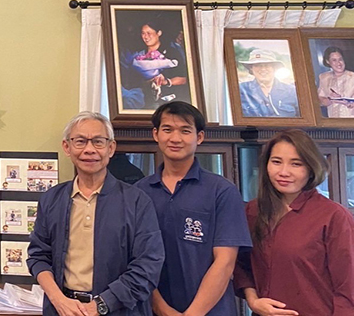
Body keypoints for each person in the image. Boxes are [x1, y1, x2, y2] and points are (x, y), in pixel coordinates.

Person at [27, 111, 164, 316]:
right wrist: (58, 300)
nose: (89, 150)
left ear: (111, 148)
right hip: (63, 310)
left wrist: (100, 305)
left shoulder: (137, 201)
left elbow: (148, 266)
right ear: (67, 147)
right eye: (80, 141)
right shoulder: (51, 199)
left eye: (98, 142)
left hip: (120, 310)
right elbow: (38, 256)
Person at [136, 102, 251, 316]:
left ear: (199, 137)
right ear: (156, 134)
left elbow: (225, 263)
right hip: (153, 310)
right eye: (167, 129)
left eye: (185, 130)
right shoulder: (139, 193)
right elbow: (135, 262)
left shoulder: (222, 191)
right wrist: (160, 308)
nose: (175, 138)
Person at [234, 129, 354, 315]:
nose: (283, 172)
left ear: (311, 167)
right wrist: (253, 301)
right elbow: (241, 265)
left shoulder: (333, 216)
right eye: (276, 162)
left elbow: (348, 289)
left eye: (296, 164)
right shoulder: (252, 211)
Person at [121, 19, 189, 110]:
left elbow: (185, 79)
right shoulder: (138, 56)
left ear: (159, 33)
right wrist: (147, 83)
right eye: (143, 33)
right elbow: (131, 82)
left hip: (169, 103)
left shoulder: (171, 53)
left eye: (149, 33)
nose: (146, 37)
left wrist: (166, 81)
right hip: (144, 103)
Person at [237, 49, 298, 118]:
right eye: (258, 65)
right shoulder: (240, 90)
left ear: (274, 68)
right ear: (251, 68)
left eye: (267, 65)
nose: (263, 69)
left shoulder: (292, 91)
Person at [317, 45, 354, 118]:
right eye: (334, 60)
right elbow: (320, 99)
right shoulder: (324, 77)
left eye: (340, 59)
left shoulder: (352, 77)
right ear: (328, 61)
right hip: (333, 121)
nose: (339, 63)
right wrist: (330, 99)